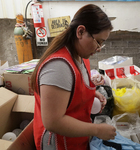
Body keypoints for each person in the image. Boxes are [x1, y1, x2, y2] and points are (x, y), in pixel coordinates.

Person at [31, 4, 116, 150]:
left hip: (75, 137)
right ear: (81, 32)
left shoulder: (81, 57)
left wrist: (92, 93)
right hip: (60, 143)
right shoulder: (59, 67)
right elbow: (53, 122)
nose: (99, 48)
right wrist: (96, 130)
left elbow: (73, 88)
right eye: (98, 42)